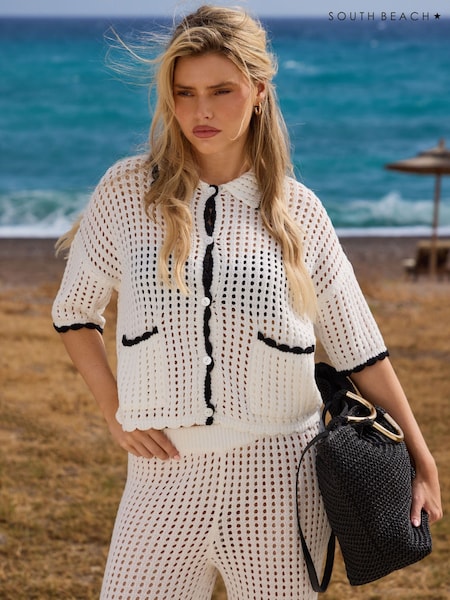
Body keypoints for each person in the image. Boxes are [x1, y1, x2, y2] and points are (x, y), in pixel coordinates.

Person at [52, 5, 442, 599]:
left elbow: (362, 352)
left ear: (258, 91)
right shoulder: (129, 191)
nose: (201, 111)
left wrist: (419, 456)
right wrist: (115, 411)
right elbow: (74, 313)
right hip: (161, 481)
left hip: (281, 485)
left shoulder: (299, 210)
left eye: (221, 91)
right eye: (185, 93)